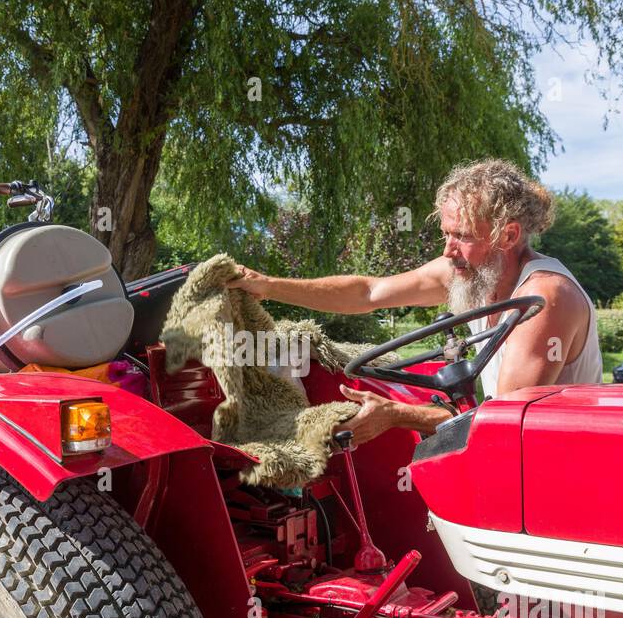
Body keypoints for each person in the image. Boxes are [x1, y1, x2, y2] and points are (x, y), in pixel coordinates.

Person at [227, 158, 602, 445]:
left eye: (462, 236)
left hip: (558, 464)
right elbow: (368, 292)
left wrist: (396, 415)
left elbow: (505, 423)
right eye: (446, 233)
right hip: (515, 453)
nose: (447, 250)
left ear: (509, 235)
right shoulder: (470, 273)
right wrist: (268, 286)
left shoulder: (544, 299)